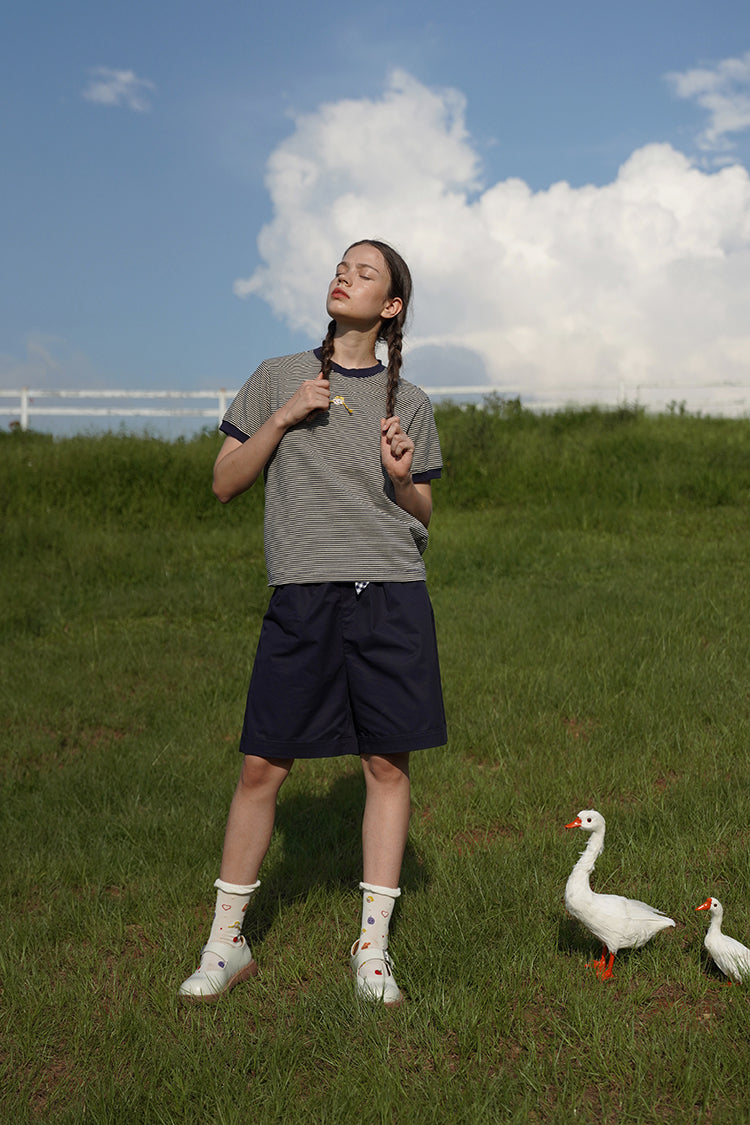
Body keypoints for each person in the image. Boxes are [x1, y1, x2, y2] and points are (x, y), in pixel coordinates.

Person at [178, 239, 447, 1007]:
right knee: (263, 765)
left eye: (365, 273)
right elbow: (226, 481)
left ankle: (372, 953)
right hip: (303, 593)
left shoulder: (412, 403)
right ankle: (226, 944)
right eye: (341, 266)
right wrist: (287, 417)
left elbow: (424, 511)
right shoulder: (274, 378)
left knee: (387, 767)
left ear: (390, 306)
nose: (345, 276)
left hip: (391, 591)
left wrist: (402, 479)